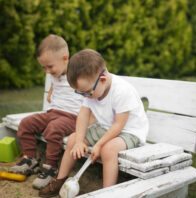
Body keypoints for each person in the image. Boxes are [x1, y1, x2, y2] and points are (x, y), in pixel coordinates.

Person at [39, 49, 149, 197]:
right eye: (80, 93)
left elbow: (118, 125)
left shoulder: (122, 90)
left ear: (102, 79)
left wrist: (99, 145)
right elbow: (83, 115)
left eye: (86, 92)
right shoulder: (91, 88)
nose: (84, 96)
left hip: (129, 131)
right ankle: (59, 181)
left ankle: (107, 193)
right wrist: (79, 141)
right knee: (72, 139)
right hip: (105, 128)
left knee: (108, 150)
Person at [9, 34, 84, 189]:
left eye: (50, 67)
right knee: (26, 123)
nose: (47, 71)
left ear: (65, 58)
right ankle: (31, 160)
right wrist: (50, 91)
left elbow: (90, 97)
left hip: (72, 117)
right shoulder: (55, 73)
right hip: (53, 113)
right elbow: (56, 84)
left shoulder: (77, 73)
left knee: (53, 129)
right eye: (44, 67)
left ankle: (50, 168)